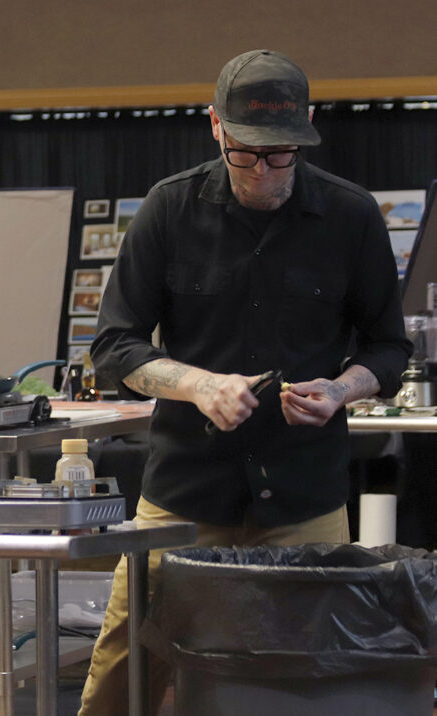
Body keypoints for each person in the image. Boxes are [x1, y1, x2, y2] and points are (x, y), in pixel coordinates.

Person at [80, 49, 411, 716]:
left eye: (281, 154)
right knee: (123, 667)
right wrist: (198, 386)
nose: (263, 171)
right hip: (185, 493)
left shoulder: (350, 216)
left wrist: (340, 390)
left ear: (306, 130)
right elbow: (114, 346)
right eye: (245, 153)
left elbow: (387, 348)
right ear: (215, 127)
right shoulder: (169, 210)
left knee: (310, 680)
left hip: (304, 496)